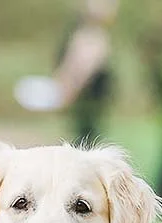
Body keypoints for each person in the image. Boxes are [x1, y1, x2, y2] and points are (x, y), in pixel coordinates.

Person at [53, 0, 118, 145]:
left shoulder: (90, 34)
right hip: (87, 96)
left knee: (85, 135)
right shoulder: (91, 36)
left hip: (90, 98)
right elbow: (81, 70)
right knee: (86, 139)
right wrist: (70, 91)